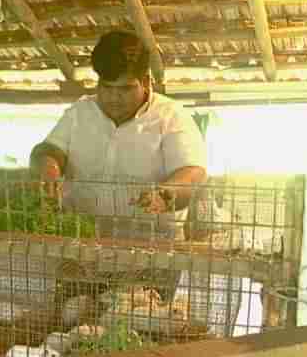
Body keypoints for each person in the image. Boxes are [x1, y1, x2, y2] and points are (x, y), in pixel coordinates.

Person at [29, 31, 207, 240]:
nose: (114, 97)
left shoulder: (171, 116)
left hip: (151, 248)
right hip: (82, 242)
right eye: (106, 87)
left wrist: (166, 195)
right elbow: (48, 150)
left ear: (146, 82)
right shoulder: (80, 113)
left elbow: (192, 172)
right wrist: (49, 169)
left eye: (125, 89)